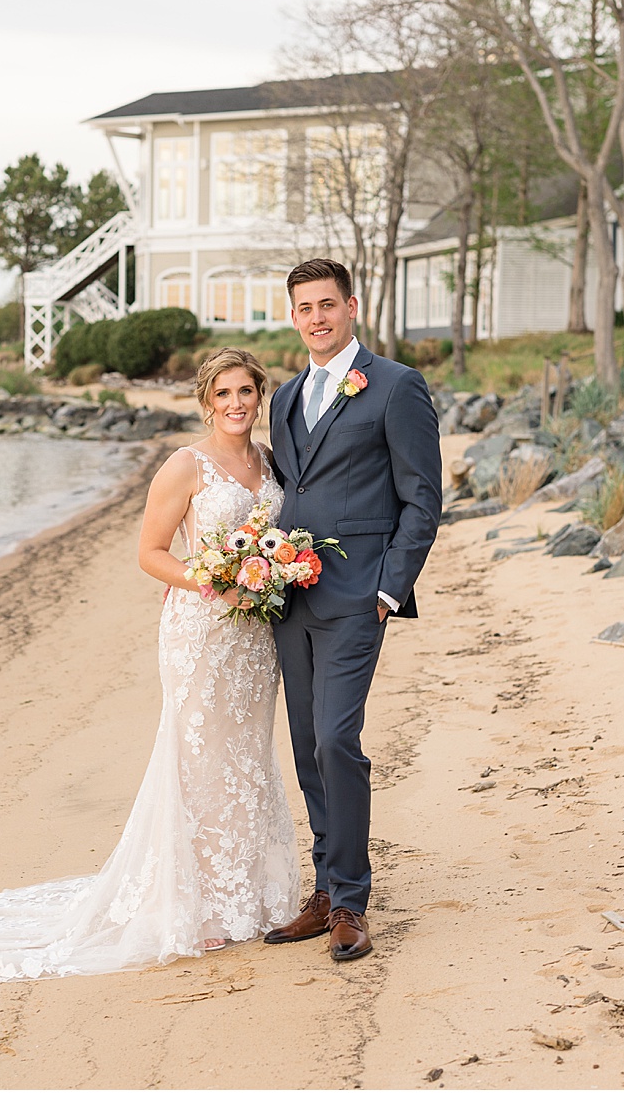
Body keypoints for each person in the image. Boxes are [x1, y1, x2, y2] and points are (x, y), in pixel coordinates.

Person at [0, 347, 299, 980]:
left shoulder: (269, 463)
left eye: (246, 392)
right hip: (202, 629)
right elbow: (151, 553)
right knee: (196, 759)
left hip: (255, 637)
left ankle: (248, 892)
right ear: (205, 401)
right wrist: (213, 580)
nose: (236, 404)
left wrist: (269, 573)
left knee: (245, 753)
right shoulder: (185, 467)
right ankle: (195, 906)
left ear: (259, 395)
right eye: (224, 395)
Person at [263, 258, 442, 962]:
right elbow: (288, 490)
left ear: (353, 306)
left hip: (359, 596)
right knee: (307, 745)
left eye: (327, 304)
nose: (317, 317)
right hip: (290, 600)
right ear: (294, 316)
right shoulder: (283, 398)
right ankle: (322, 886)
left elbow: (422, 498)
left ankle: (352, 901)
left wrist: (388, 590)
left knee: (338, 739)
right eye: (304, 307)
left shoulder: (396, 387)